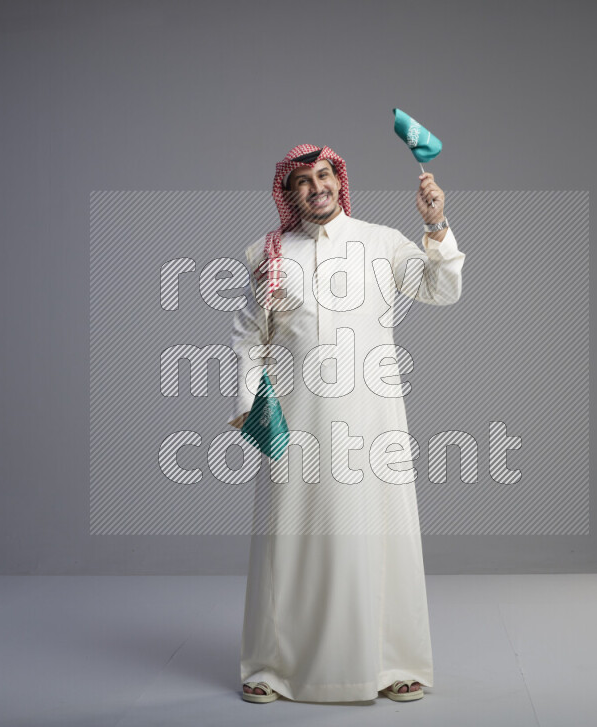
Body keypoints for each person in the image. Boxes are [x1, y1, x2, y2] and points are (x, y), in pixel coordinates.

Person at [230, 144, 465, 703]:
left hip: (372, 418)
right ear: (288, 195)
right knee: (290, 539)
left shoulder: (382, 242)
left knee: (380, 533)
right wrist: (249, 409)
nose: (318, 187)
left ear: (340, 180)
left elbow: (442, 289)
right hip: (298, 419)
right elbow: (247, 337)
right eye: (304, 181)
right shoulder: (270, 254)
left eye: (326, 175)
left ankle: (393, 663)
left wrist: (437, 225)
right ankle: (272, 668)